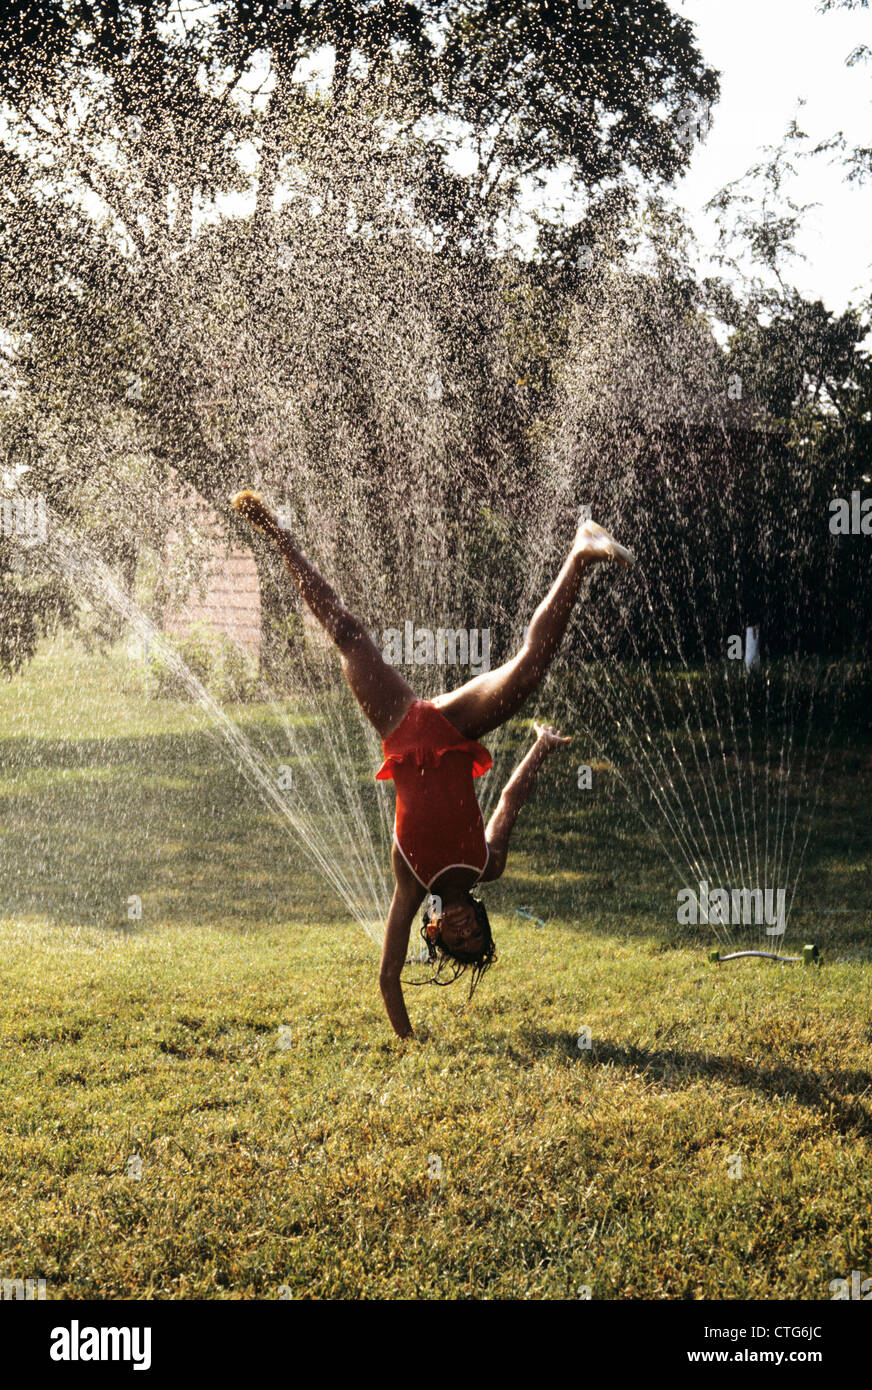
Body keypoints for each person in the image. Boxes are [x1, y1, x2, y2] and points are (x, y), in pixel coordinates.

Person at [231, 490, 633, 1037]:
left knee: (347, 633)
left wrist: (409, 1040)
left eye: (457, 940)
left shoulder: (410, 885)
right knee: (528, 670)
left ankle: (281, 536)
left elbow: (388, 978)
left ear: (435, 933)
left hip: (400, 730)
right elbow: (510, 802)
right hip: (451, 728)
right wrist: (538, 748)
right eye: (477, 936)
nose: (466, 930)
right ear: (482, 921)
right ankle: (582, 552)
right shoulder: (484, 865)